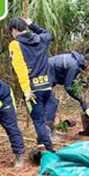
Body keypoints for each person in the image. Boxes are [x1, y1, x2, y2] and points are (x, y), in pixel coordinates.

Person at [8, 18, 55, 151]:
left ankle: (50, 150)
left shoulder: (15, 44)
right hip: (47, 86)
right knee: (43, 118)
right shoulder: (41, 39)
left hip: (33, 91)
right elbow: (48, 33)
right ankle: (42, 143)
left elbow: (20, 69)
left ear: (14, 30)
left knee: (39, 121)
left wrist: (26, 91)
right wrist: (32, 24)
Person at [46, 51, 89, 132]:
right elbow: (69, 87)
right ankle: (48, 131)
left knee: (49, 102)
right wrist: (80, 99)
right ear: (87, 63)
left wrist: (80, 83)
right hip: (45, 74)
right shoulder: (74, 65)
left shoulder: (75, 61)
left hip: (48, 74)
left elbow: (69, 79)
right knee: (52, 103)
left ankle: (47, 126)